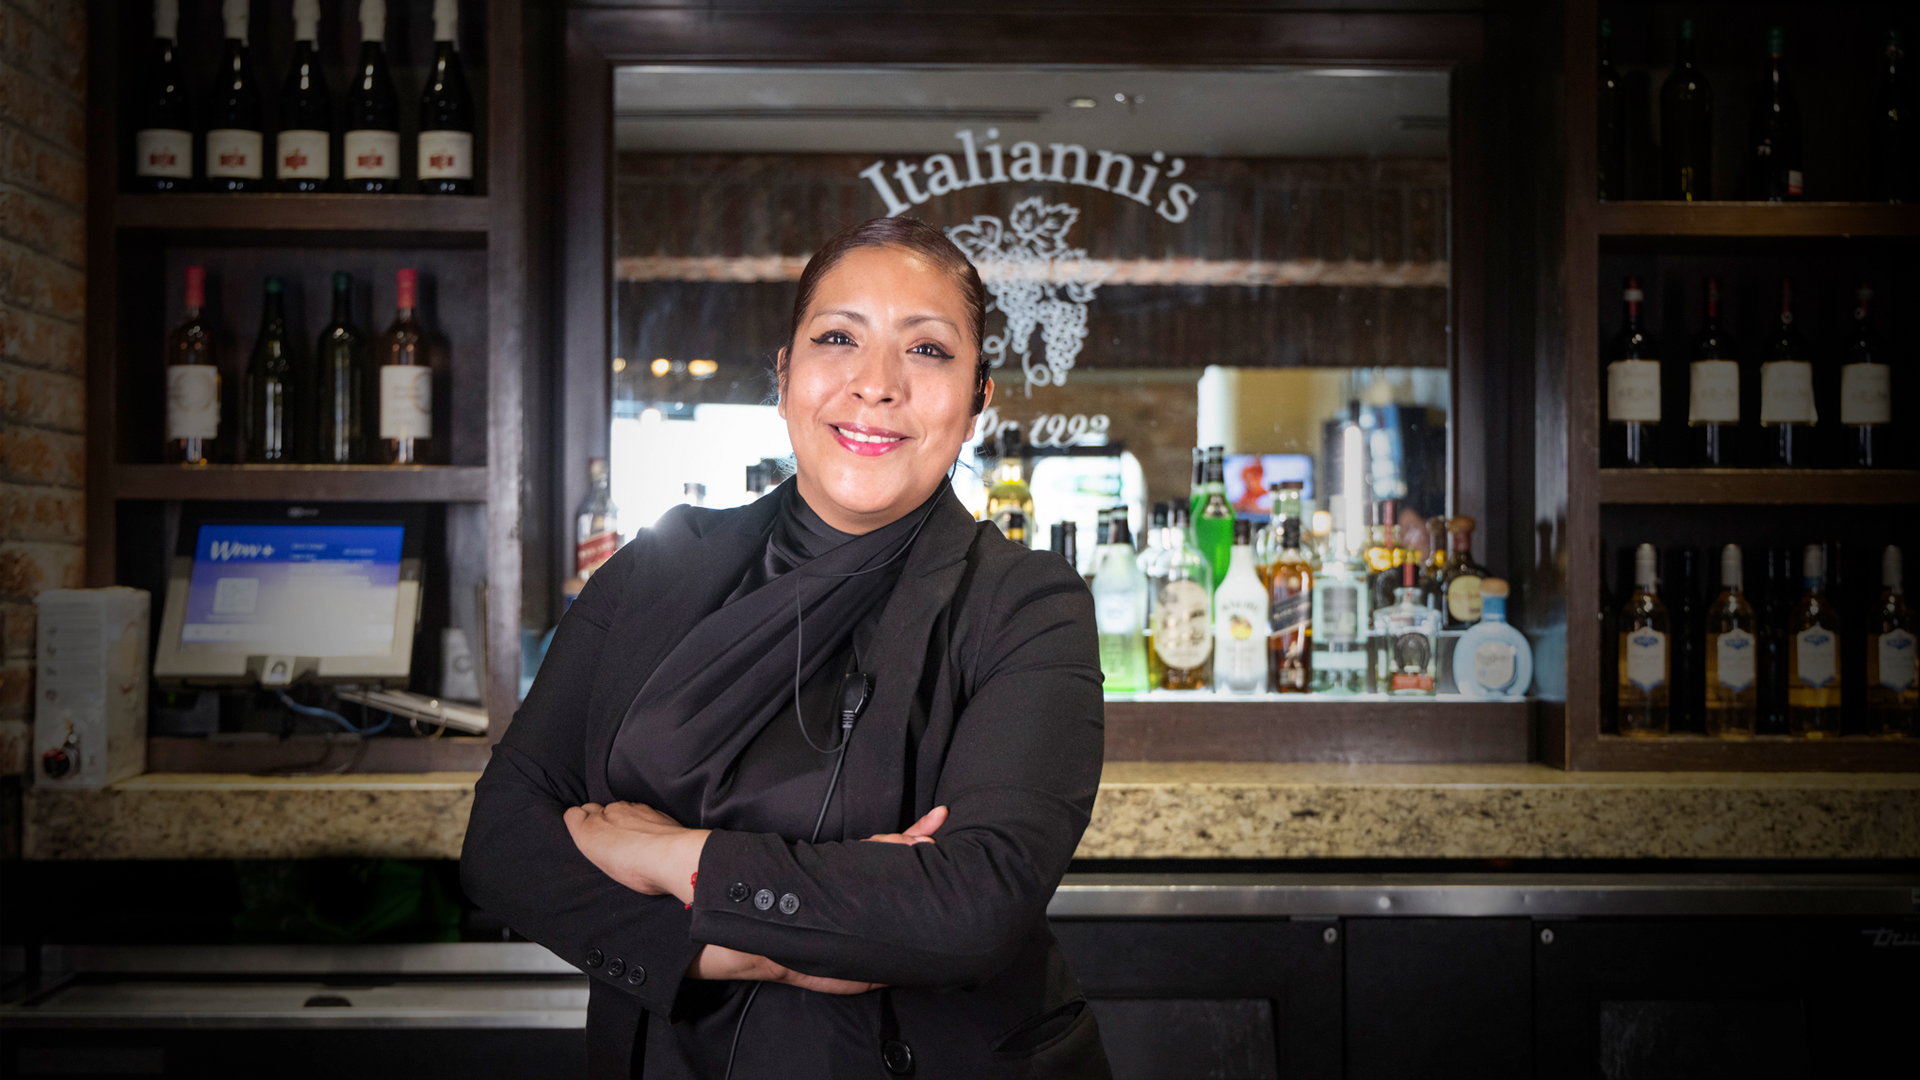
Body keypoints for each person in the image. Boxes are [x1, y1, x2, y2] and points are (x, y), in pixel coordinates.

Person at [461, 217, 1111, 1079]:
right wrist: (752, 953)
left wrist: (667, 855)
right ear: (783, 377)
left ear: (978, 403)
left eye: (927, 351)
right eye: (838, 338)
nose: (875, 385)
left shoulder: (1027, 604)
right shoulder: (657, 568)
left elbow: (971, 906)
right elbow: (503, 842)